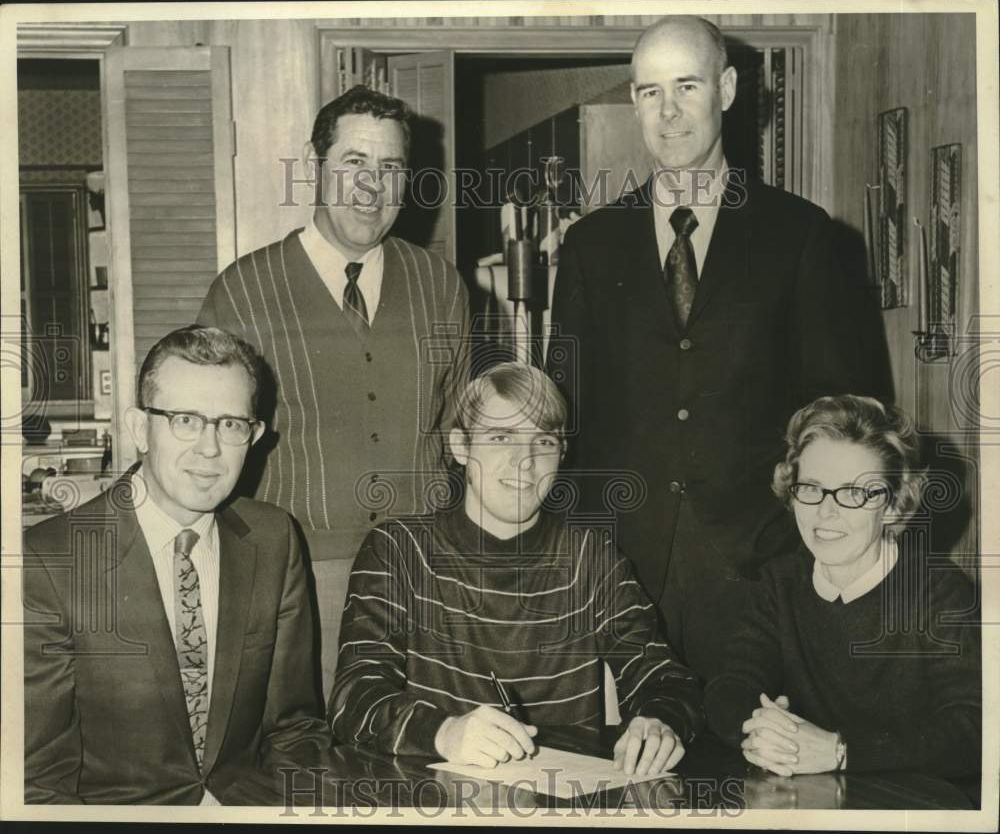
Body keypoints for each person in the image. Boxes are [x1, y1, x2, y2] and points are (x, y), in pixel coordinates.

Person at [547, 16, 890, 683]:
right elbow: (568, 416)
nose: (668, 113)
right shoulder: (591, 245)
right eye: (649, 92)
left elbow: (846, 416)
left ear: (728, 89)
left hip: (760, 567)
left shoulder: (801, 236)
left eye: (687, 86)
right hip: (619, 574)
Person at [197, 85, 470, 699]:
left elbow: (465, 440)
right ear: (315, 166)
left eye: (391, 168)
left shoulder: (442, 287)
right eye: (354, 163)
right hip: (292, 585)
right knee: (308, 770)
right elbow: (207, 453)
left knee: (424, 766)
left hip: (425, 580)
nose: (372, 187)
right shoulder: (243, 292)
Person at [329, 363, 702, 775]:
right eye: (501, 437)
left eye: (542, 441)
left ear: (561, 453)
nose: (524, 461)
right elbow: (353, 696)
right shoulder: (398, 550)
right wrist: (445, 732)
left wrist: (659, 721)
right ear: (460, 447)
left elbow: (665, 677)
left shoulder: (590, 558)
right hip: (431, 803)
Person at [23, 326, 331, 804]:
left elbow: (295, 731)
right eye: (186, 419)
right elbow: (38, 780)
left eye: (230, 424)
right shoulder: (50, 561)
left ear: (254, 436)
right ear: (138, 428)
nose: (210, 448)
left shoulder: (274, 539)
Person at [704, 395, 980, 778]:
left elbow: (971, 730)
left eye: (855, 493)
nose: (826, 512)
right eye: (812, 488)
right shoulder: (778, 582)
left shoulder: (940, 593)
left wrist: (841, 752)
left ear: (894, 505)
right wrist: (759, 730)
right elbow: (729, 684)